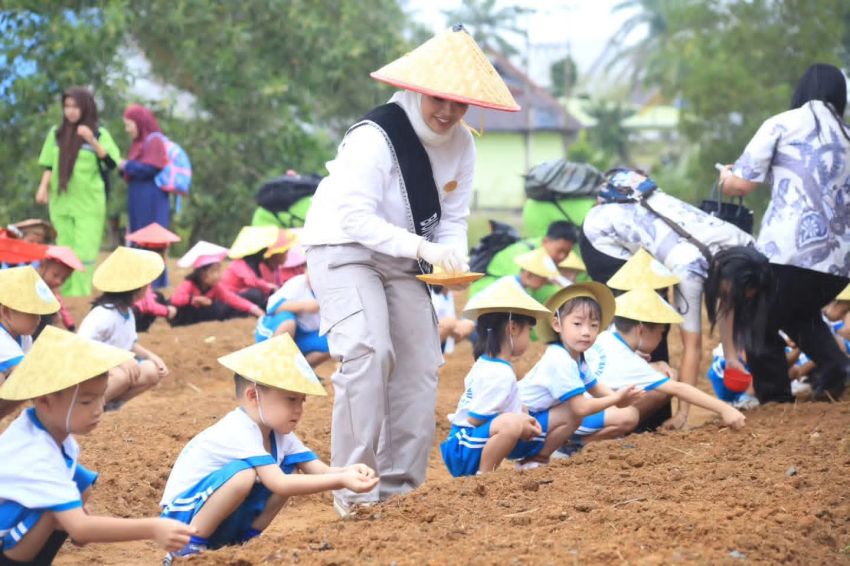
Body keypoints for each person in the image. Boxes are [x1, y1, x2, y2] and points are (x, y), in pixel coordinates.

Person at [301, 26, 519, 513]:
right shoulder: (374, 137)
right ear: (419, 89)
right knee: (369, 352)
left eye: (459, 104)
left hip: (404, 257)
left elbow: (455, 218)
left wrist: (452, 254)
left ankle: (399, 495)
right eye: (439, 99)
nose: (447, 112)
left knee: (422, 364)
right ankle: (355, 494)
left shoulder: (463, 144)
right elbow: (354, 218)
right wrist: (428, 247)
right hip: (342, 249)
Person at [159, 335, 378, 562]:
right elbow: (279, 484)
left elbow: (320, 471)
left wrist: (350, 471)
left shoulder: (280, 434)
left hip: (211, 515)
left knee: (289, 469)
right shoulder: (239, 429)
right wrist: (342, 481)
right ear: (254, 396)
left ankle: (245, 542)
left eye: (302, 401)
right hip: (179, 520)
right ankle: (184, 550)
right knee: (244, 475)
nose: (299, 409)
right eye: (291, 400)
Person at [0, 327, 195, 564]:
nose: (98, 408)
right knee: (56, 510)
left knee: (80, 483)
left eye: (101, 397)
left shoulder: (42, 429)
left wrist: (76, 512)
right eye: (86, 401)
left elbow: (77, 489)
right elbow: (81, 529)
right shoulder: (37, 453)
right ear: (45, 401)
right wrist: (153, 527)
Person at [581, 168, 756, 429]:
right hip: (603, 236)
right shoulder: (690, 268)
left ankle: (651, 411)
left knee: (654, 319)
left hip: (640, 228)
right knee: (646, 310)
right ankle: (624, 408)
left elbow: (728, 302)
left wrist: (732, 357)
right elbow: (692, 347)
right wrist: (684, 415)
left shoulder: (742, 245)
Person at [718, 63, 850, 401]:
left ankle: (775, 400)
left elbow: (742, 185)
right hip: (839, 266)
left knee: (756, 318)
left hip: (787, 253)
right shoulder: (848, 137)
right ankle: (836, 367)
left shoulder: (781, 123)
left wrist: (726, 178)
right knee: (797, 311)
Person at [584, 287, 747, 435]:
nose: (660, 339)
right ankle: (584, 444)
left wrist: (654, 365)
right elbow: (679, 388)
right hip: (583, 419)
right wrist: (725, 409)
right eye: (661, 333)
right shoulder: (630, 361)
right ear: (641, 330)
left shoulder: (604, 338)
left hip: (572, 413)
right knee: (629, 415)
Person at [440, 277, 551, 477]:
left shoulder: (487, 363)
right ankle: (485, 475)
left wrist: (521, 416)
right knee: (511, 424)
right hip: (464, 447)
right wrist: (516, 421)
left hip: (462, 443)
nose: (529, 338)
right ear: (513, 328)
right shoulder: (499, 373)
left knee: (515, 422)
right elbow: (475, 418)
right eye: (529, 331)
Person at [518, 283, 643, 458]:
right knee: (574, 411)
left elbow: (596, 388)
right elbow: (580, 408)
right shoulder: (559, 359)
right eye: (577, 324)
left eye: (593, 325)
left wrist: (620, 399)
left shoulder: (576, 356)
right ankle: (539, 457)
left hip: (537, 421)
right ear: (557, 324)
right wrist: (617, 398)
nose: (586, 332)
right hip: (523, 423)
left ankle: (565, 447)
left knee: (627, 414)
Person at [36, 87, 121, 296]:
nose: (70, 111)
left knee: (84, 251)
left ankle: (80, 295)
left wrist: (91, 139)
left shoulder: (100, 133)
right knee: (64, 247)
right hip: (61, 200)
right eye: (67, 106)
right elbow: (49, 165)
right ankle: (63, 294)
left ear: (85, 107)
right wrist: (43, 187)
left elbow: (111, 162)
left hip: (89, 202)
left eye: (75, 106)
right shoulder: (56, 133)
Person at [77, 247, 169, 409]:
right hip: (93, 370)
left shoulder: (127, 312)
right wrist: (117, 359)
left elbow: (130, 342)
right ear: (137, 287)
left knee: (151, 370)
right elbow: (82, 344)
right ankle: (85, 408)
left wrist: (152, 356)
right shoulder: (104, 314)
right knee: (121, 376)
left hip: (117, 367)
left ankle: (109, 404)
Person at [120, 104, 171, 288]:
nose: (127, 129)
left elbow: (152, 167)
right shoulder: (138, 143)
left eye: (129, 124)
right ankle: (140, 281)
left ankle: (156, 283)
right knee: (139, 235)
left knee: (153, 238)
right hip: (138, 196)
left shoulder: (154, 141)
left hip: (151, 197)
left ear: (139, 123)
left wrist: (127, 166)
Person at [0, 266, 60, 420]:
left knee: (19, 384)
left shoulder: (23, 335)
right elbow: (29, 377)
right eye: (32, 313)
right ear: (6, 312)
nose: (39, 319)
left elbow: (32, 367)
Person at [469, 220, 579, 299]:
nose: (562, 257)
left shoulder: (543, 256)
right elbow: (518, 290)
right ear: (546, 241)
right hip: (485, 298)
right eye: (560, 250)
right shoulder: (521, 254)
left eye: (567, 253)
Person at [170, 242, 264, 326]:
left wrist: (254, 309)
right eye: (214, 271)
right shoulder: (189, 284)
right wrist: (193, 299)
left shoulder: (216, 287)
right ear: (202, 274)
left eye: (219, 270)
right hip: (185, 316)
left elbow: (232, 299)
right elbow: (175, 299)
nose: (218, 275)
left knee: (219, 308)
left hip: (202, 316)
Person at [254, 272, 331, 368]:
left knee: (333, 343)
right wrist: (305, 306)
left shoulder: (332, 290)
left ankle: (298, 372)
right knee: (288, 321)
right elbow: (272, 307)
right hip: (274, 330)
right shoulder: (298, 283)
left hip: (303, 335)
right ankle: (274, 366)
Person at [126, 223, 182, 331]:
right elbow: (148, 305)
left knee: (158, 296)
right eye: (166, 254)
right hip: (129, 315)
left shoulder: (137, 266)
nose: (166, 259)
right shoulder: (142, 272)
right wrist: (167, 311)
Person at [222, 227, 294, 307]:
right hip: (228, 299)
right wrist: (268, 286)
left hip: (238, 297)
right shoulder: (239, 263)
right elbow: (250, 281)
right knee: (256, 294)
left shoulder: (255, 264)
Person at [36, 246, 84, 334]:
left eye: (64, 279)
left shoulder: (53, 293)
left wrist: (71, 327)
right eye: (55, 275)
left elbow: (62, 308)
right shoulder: (30, 284)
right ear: (43, 265)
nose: (58, 281)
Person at [431, 285, 474, 353]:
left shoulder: (448, 295)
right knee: (449, 323)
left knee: (469, 324)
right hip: (432, 332)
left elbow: (451, 317)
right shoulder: (431, 294)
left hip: (445, 332)